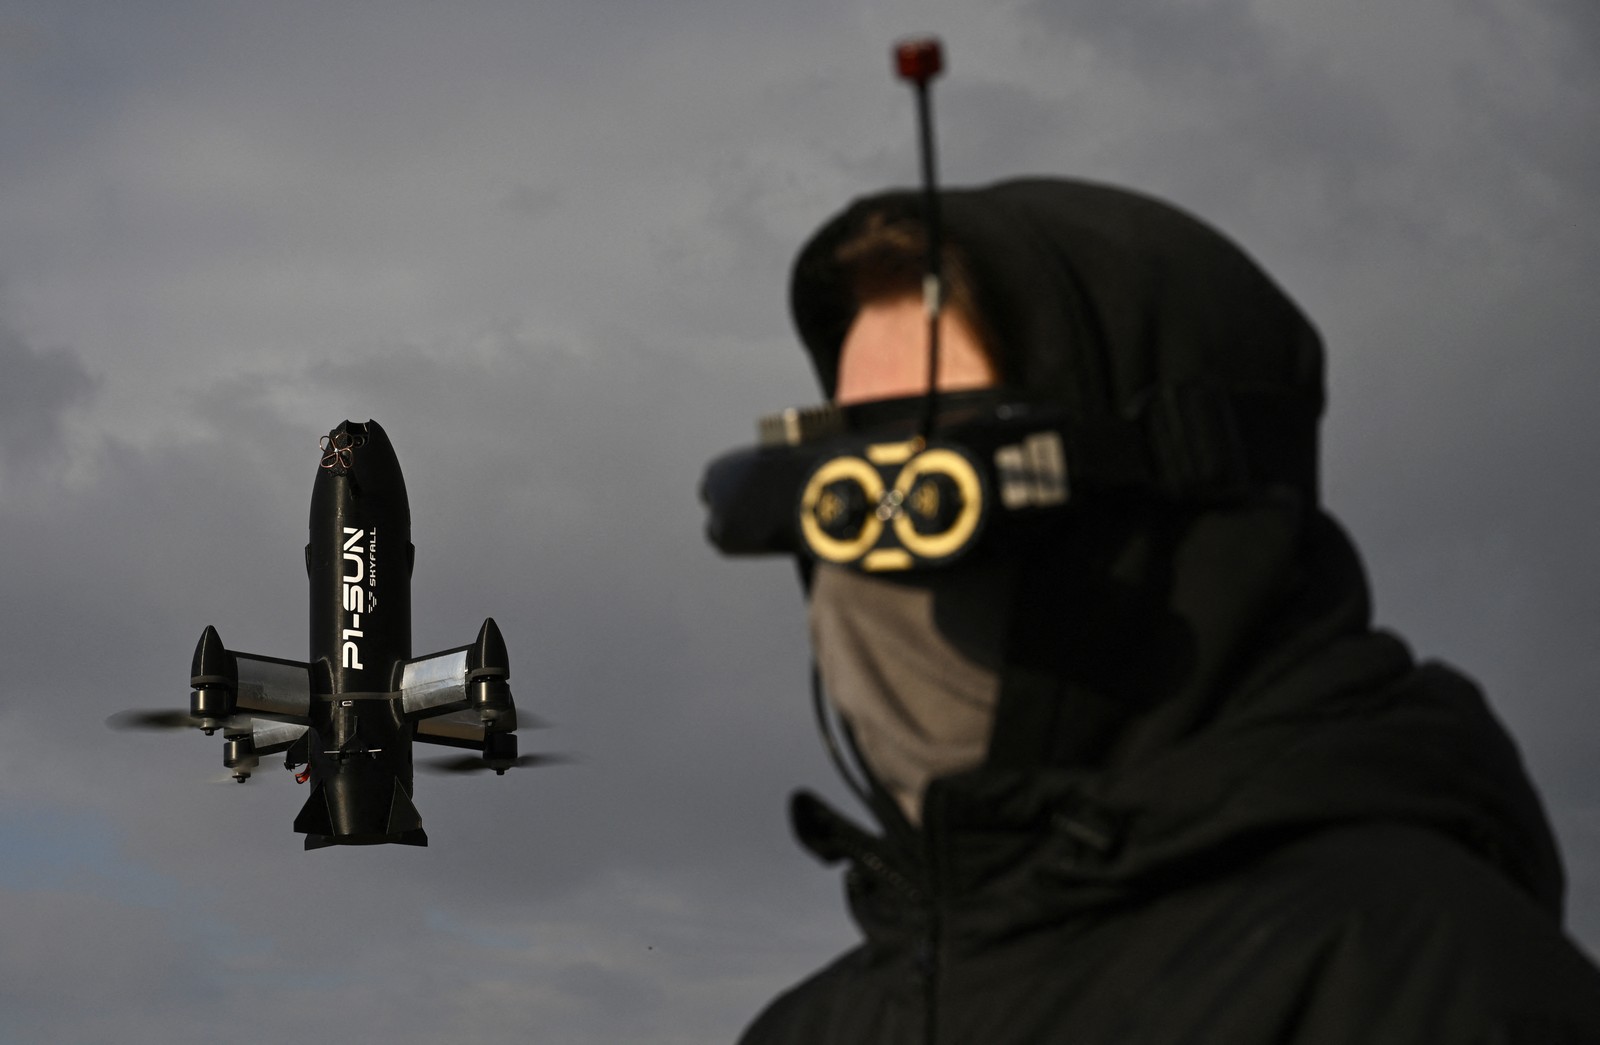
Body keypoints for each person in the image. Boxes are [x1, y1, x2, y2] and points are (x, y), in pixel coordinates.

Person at [705, 177, 1600, 1043]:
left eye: (938, 494)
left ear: (1164, 527)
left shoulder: (1423, 985)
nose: (868, 557)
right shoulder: (816, 1029)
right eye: (835, 485)